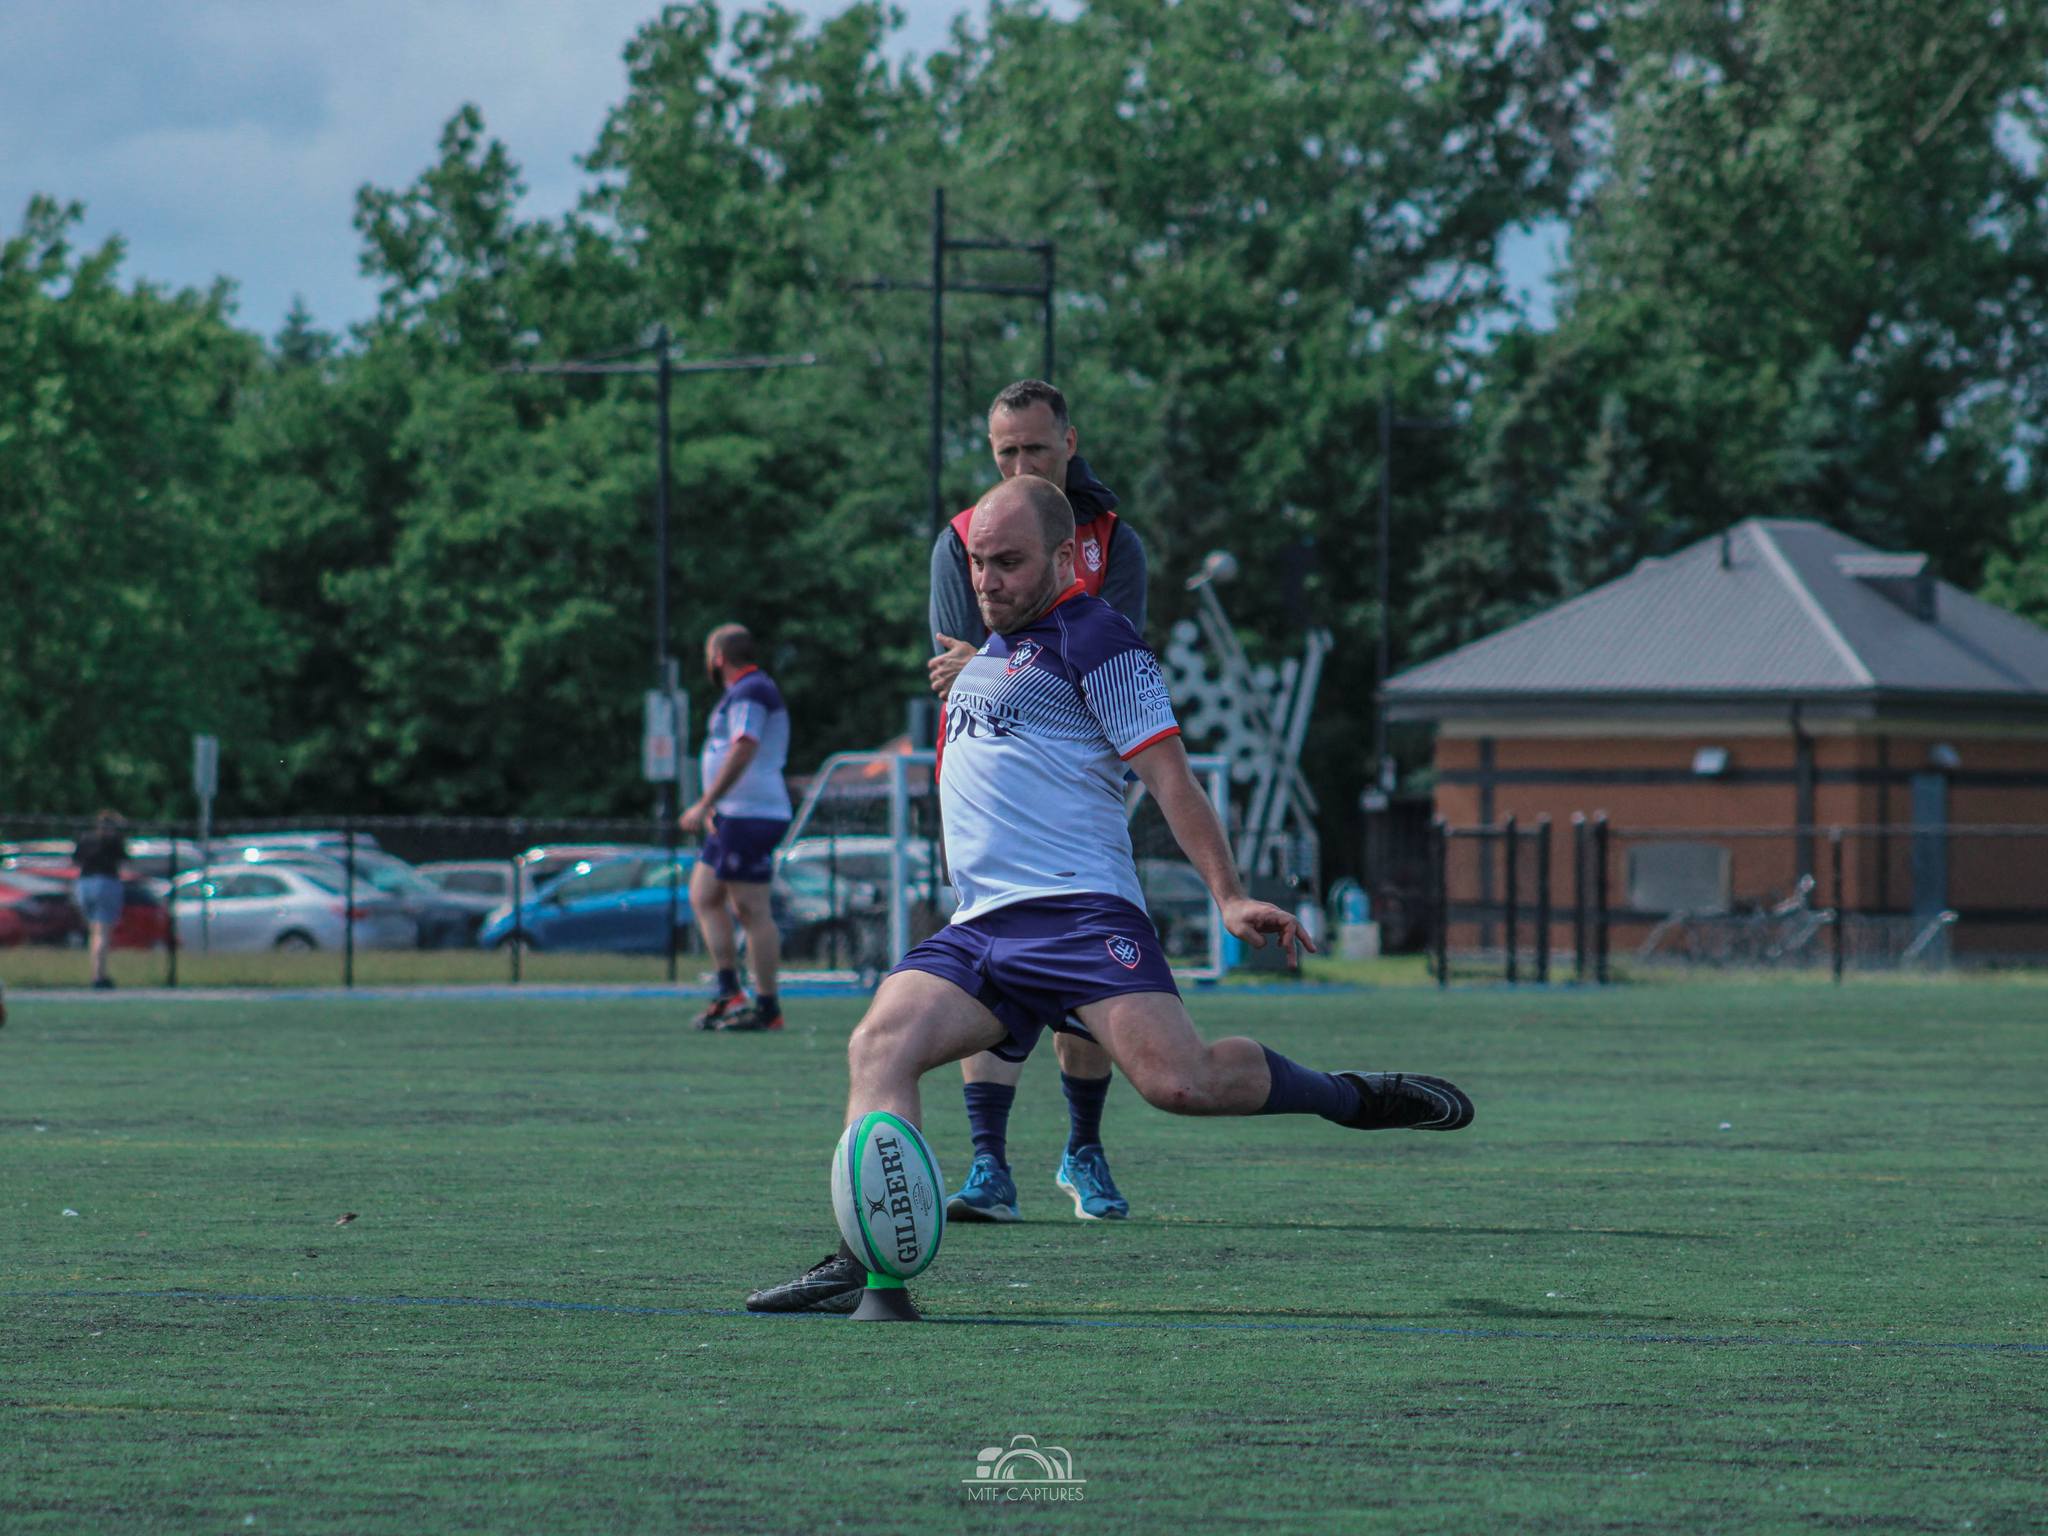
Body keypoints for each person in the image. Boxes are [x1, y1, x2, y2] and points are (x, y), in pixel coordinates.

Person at [744, 477, 1472, 1316]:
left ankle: (1349, 1096)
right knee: (878, 1044)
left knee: (1179, 1084)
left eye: (1009, 563)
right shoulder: (989, 652)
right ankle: (869, 1268)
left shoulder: (1100, 637)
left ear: (1063, 558)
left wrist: (1229, 896)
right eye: (979, 563)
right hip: (981, 927)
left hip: (1080, 913)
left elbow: (1170, 778)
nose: (987, 580)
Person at [929, 379, 1150, 1233]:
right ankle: (989, 1164)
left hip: (1080, 780)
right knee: (993, 952)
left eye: (1036, 449)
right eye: (1006, 453)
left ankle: (1082, 1148)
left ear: (1070, 442)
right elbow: (957, 666)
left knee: (1086, 952)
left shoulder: (1115, 541)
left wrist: (1006, 661)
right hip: (985, 781)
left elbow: (1107, 655)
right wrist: (1030, 657)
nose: (1024, 465)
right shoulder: (963, 537)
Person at [681, 624, 792, 1032]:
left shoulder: (751, 690)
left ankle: (767, 1007)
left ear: (718, 658)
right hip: (737, 813)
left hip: (751, 813)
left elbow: (744, 744)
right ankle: (730, 991)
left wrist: (707, 801)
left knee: (750, 909)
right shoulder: (742, 691)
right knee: (705, 894)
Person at [72, 810, 128, 990]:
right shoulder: (113, 841)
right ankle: (98, 976)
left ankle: (97, 972)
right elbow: (124, 860)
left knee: (94, 931)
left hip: (84, 884)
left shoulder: (86, 838)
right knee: (102, 932)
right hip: (106, 883)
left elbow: (76, 861)